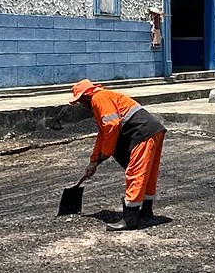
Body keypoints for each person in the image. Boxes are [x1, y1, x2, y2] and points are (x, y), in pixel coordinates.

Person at [71, 79, 167, 230]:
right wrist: (94, 160)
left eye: (80, 101)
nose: (81, 105)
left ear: (85, 97)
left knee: (136, 172)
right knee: (148, 172)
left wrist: (106, 153)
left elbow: (112, 125)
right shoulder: (104, 98)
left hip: (141, 132)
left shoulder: (98, 98)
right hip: (153, 130)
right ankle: (146, 211)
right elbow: (102, 135)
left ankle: (130, 218)